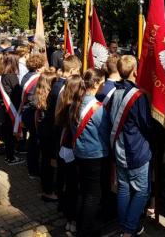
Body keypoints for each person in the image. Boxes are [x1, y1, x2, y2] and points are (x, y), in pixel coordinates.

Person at [108, 55, 153, 237]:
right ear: (135, 71)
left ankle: (125, 225)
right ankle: (128, 229)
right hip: (136, 150)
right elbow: (146, 124)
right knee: (142, 191)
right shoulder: (137, 96)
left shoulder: (115, 92)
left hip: (119, 149)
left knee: (124, 189)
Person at [72, 68, 110, 237]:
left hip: (79, 152)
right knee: (93, 195)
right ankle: (85, 230)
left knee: (84, 190)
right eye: (102, 82)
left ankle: (80, 222)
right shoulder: (97, 108)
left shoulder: (76, 102)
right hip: (95, 154)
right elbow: (105, 132)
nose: (104, 85)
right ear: (95, 84)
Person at [38, 55, 81, 202]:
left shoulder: (58, 83)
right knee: (52, 162)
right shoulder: (63, 87)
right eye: (79, 71)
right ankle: (49, 190)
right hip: (55, 130)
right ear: (74, 69)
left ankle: (50, 188)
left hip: (50, 128)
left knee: (50, 161)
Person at [54, 75, 83, 231]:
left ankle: (65, 210)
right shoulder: (74, 106)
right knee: (73, 187)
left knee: (65, 182)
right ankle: (72, 219)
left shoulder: (63, 102)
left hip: (62, 148)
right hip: (70, 149)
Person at [0, 53, 24, 165]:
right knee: (10, 133)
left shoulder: (0, 75)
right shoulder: (11, 76)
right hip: (12, 109)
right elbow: (17, 93)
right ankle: (11, 157)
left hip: (4, 108)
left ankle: (10, 154)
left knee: (7, 132)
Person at [32, 70, 58, 200]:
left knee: (45, 161)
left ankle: (45, 187)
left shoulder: (38, 95)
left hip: (42, 131)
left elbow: (36, 116)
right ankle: (48, 191)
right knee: (48, 163)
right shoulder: (51, 99)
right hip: (49, 133)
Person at [19, 54, 45, 178]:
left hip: (26, 111)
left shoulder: (26, 76)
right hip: (32, 112)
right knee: (34, 141)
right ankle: (33, 170)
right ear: (39, 67)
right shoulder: (37, 79)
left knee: (32, 140)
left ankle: (31, 164)